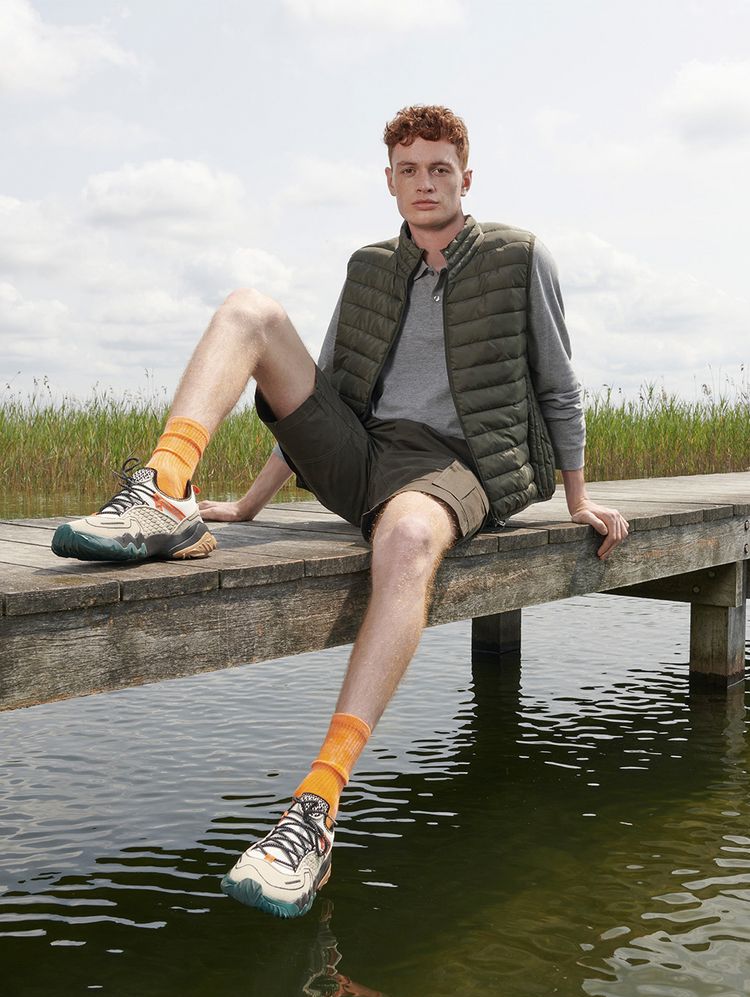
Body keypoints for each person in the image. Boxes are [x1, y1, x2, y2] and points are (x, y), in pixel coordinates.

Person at [51, 105, 629, 919]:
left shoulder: (520, 257)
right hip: (364, 453)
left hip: (456, 465)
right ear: (388, 180)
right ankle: (165, 489)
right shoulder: (369, 268)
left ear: (466, 177)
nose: (425, 184)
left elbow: (560, 386)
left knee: (409, 537)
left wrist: (577, 497)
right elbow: (325, 392)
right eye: (408, 170)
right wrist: (247, 504)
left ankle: (316, 809)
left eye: (439, 169)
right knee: (250, 310)